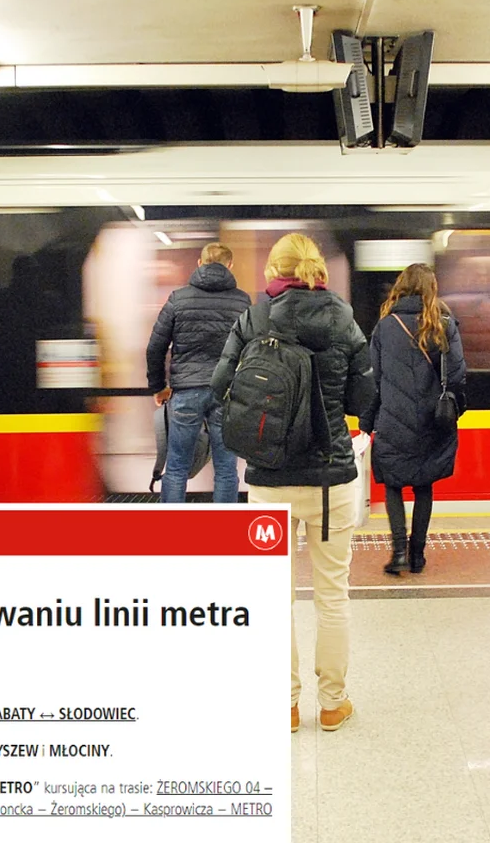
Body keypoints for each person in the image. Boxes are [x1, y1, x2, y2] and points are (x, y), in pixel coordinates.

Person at [211, 233, 374, 734]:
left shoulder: (254, 319)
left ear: (274, 273)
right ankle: (332, 703)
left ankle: (285, 704)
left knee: (274, 599)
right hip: (330, 482)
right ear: (318, 270)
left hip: (269, 480)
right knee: (332, 596)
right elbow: (364, 397)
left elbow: (220, 387)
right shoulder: (343, 318)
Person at [359, 263, 467, 575]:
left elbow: (374, 381)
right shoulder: (443, 324)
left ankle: (398, 552)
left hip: (392, 419)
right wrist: (455, 409)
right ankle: (418, 555)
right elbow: (458, 374)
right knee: (424, 485)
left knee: (393, 485)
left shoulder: (385, 326)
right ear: (431, 289)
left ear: (402, 287)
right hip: (433, 420)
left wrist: (366, 423)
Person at [145, 242, 250, 503]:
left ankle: (170, 532)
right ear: (230, 266)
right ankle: (224, 534)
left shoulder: (178, 299)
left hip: (186, 392)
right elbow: (253, 349)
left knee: (178, 465)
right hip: (226, 392)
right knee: (226, 469)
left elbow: (155, 347)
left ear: (199, 263)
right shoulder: (242, 301)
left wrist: (159, 387)